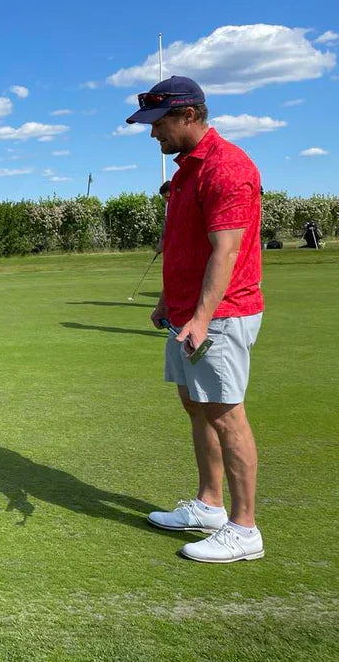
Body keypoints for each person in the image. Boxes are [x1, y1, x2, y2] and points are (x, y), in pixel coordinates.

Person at [126, 76, 265, 563]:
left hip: (221, 313)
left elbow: (225, 251)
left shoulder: (227, 167)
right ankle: (209, 505)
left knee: (226, 413)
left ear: (188, 115)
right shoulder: (186, 171)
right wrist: (169, 300)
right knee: (196, 406)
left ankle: (244, 529)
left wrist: (202, 318)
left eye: (158, 123)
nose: (152, 134)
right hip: (188, 313)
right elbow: (185, 245)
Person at [155, 180, 171, 254]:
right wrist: (161, 242)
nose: (165, 200)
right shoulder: (168, 205)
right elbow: (166, 224)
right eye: (164, 197)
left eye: (167, 197)